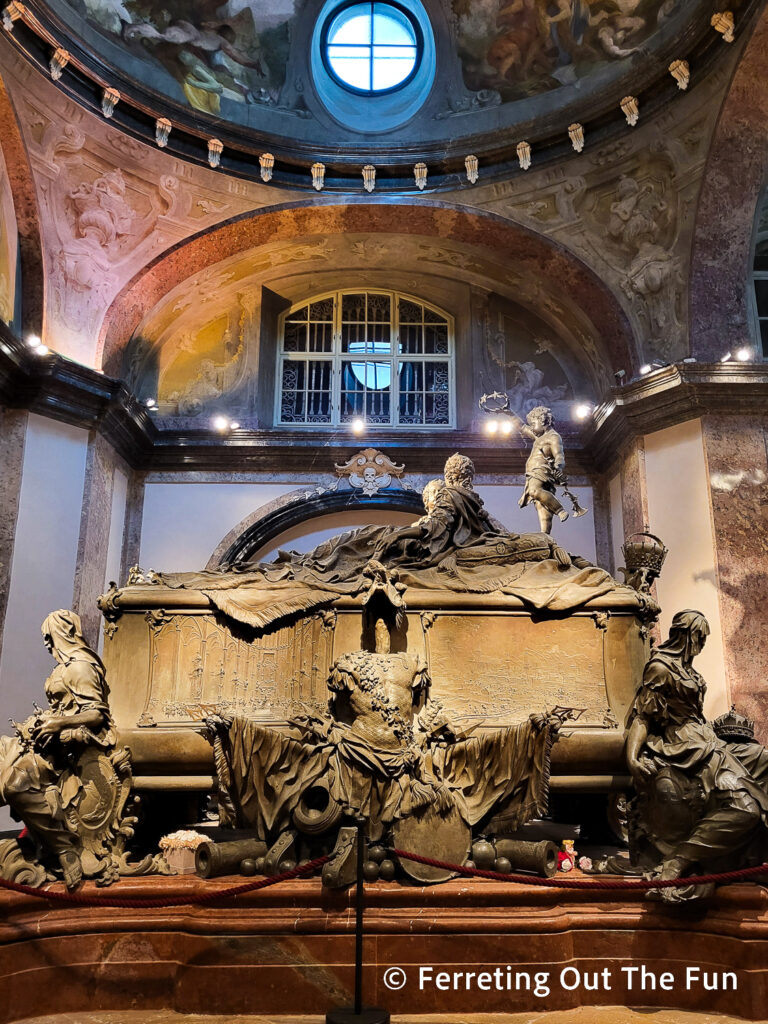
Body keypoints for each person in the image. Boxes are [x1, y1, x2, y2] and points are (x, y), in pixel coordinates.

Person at [626, 609, 768, 899]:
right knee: (746, 809)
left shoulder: (689, 670)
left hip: (708, 739)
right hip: (684, 746)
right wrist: (632, 756)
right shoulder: (660, 667)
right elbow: (643, 716)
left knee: (764, 757)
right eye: (699, 637)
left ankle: (751, 857)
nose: (702, 644)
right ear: (684, 635)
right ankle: (680, 858)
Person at [0, 611, 115, 888]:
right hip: (44, 740)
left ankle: (66, 850)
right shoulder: (63, 667)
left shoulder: (81, 667)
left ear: (64, 634)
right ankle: (35, 837)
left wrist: (58, 723)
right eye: (45, 640)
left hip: (66, 750)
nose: (48, 646)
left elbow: (98, 714)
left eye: (50, 638)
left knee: (15, 785)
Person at [505, 405, 570, 533]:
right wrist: (508, 412)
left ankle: (560, 510)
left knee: (534, 491)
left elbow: (559, 456)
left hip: (542, 471)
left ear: (543, 420)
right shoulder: (539, 437)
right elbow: (522, 427)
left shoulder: (553, 437)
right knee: (542, 506)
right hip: (533, 473)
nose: (532, 428)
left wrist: (558, 467)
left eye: (533, 423)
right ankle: (545, 536)